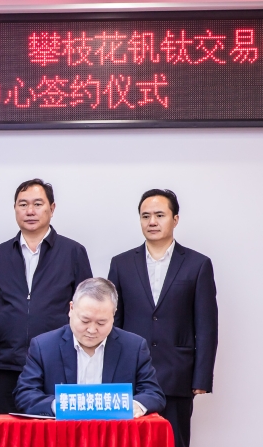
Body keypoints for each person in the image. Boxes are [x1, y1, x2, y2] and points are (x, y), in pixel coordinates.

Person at [108, 189, 218, 447]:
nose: (152, 222)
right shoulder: (121, 264)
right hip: (130, 375)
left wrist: (201, 377)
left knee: (174, 441)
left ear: (175, 219)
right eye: (145, 216)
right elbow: (113, 322)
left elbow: (206, 326)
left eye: (160, 215)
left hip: (177, 375)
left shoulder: (197, 264)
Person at [0, 178, 93, 414]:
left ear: (52, 208)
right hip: (8, 366)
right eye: (23, 204)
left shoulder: (73, 252)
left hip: (59, 362)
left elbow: (87, 310)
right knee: (10, 431)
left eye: (38, 204)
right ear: (15, 209)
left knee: (56, 430)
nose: (30, 211)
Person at [13, 278, 165, 417]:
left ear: (113, 315)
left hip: (113, 434)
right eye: (85, 321)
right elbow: (24, 394)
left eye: (101, 323)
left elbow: (153, 393)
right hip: (62, 433)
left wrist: (135, 405)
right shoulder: (44, 346)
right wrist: (59, 406)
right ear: (71, 309)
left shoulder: (134, 347)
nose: (92, 330)